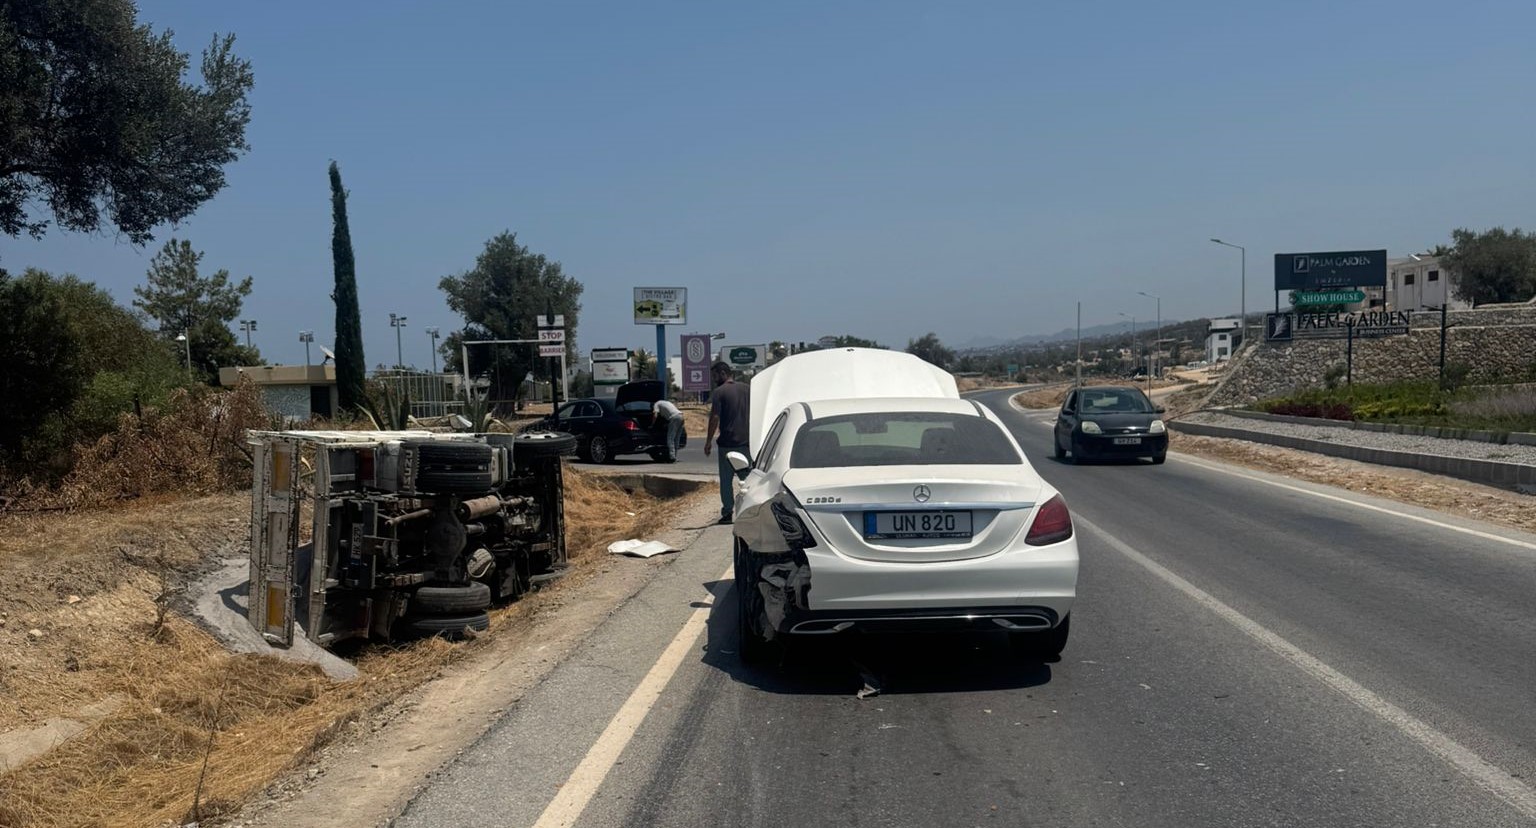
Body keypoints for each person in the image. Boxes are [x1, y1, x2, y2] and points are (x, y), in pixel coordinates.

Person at [704, 360, 751, 524]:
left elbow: (715, 417)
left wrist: (708, 441)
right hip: (746, 442)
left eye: (715, 376)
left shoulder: (719, 392)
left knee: (726, 480)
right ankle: (751, 509)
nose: (713, 379)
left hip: (727, 443)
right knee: (748, 479)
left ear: (723, 373)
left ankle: (727, 513)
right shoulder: (747, 389)